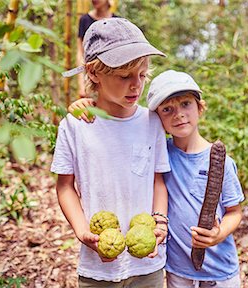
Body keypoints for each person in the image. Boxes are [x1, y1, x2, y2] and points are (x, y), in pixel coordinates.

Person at [69, 70, 245, 288]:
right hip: (176, 269)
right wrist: (87, 104)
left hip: (219, 269)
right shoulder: (158, 153)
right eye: (167, 109)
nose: (178, 114)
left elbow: (234, 212)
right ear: (157, 118)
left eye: (186, 104)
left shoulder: (220, 160)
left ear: (200, 107)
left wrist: (218, 235)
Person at [52, 18, 170, 287]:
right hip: (98, 267)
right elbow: (65, 187)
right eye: (124, 76)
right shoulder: (74, 126)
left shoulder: (152, 122)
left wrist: (160, 222)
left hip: (148, 264)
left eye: (141, 75)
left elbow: (157, 179)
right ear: (94, 73)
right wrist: (82, 231)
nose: (136, 85)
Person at [77, 0, 118, 98]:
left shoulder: (117, 22)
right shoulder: (85, 20)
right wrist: (81, 84)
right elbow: (80, 52)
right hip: (91, 76)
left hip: (111, 77)